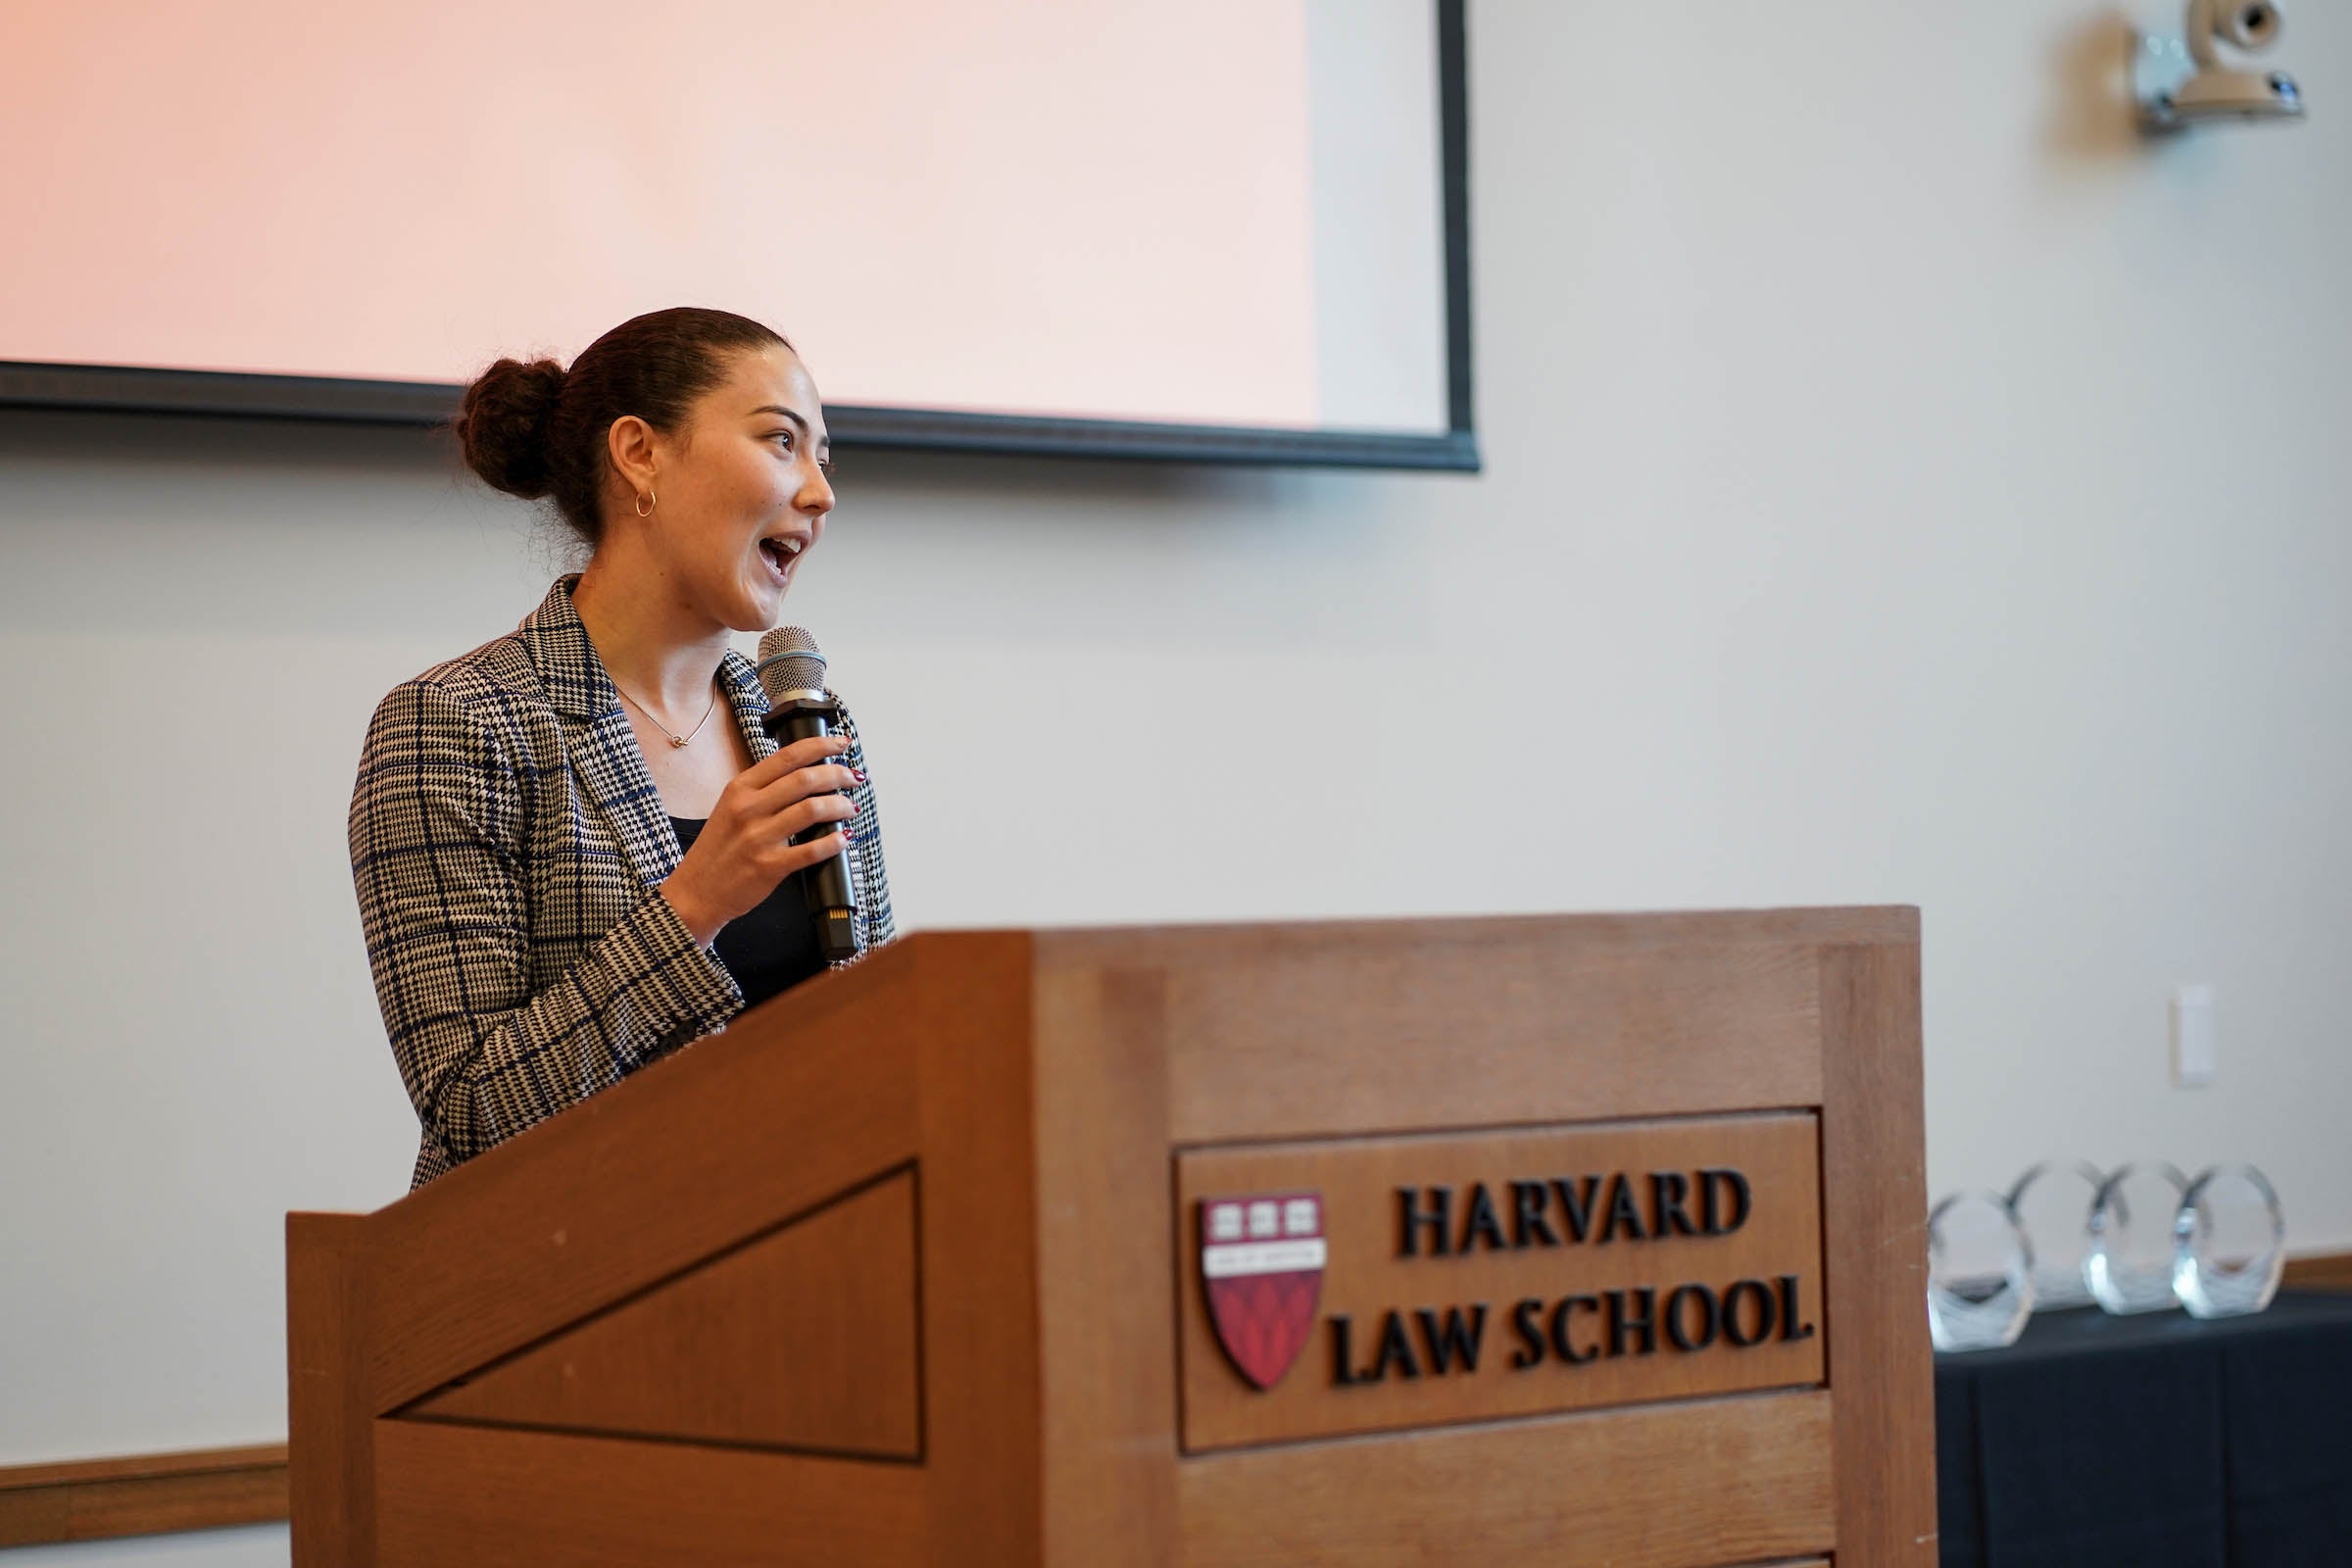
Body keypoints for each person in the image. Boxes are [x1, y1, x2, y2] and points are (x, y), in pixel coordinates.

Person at [348, 307, 894, 1190]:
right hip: (561, 1287)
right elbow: (472, 1111)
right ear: (640, 453)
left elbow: (873, 1043)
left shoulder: (804, 729)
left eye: (825, 458)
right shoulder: (457, 725)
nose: (822, 492)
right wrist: (695, 904)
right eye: (781, 442)